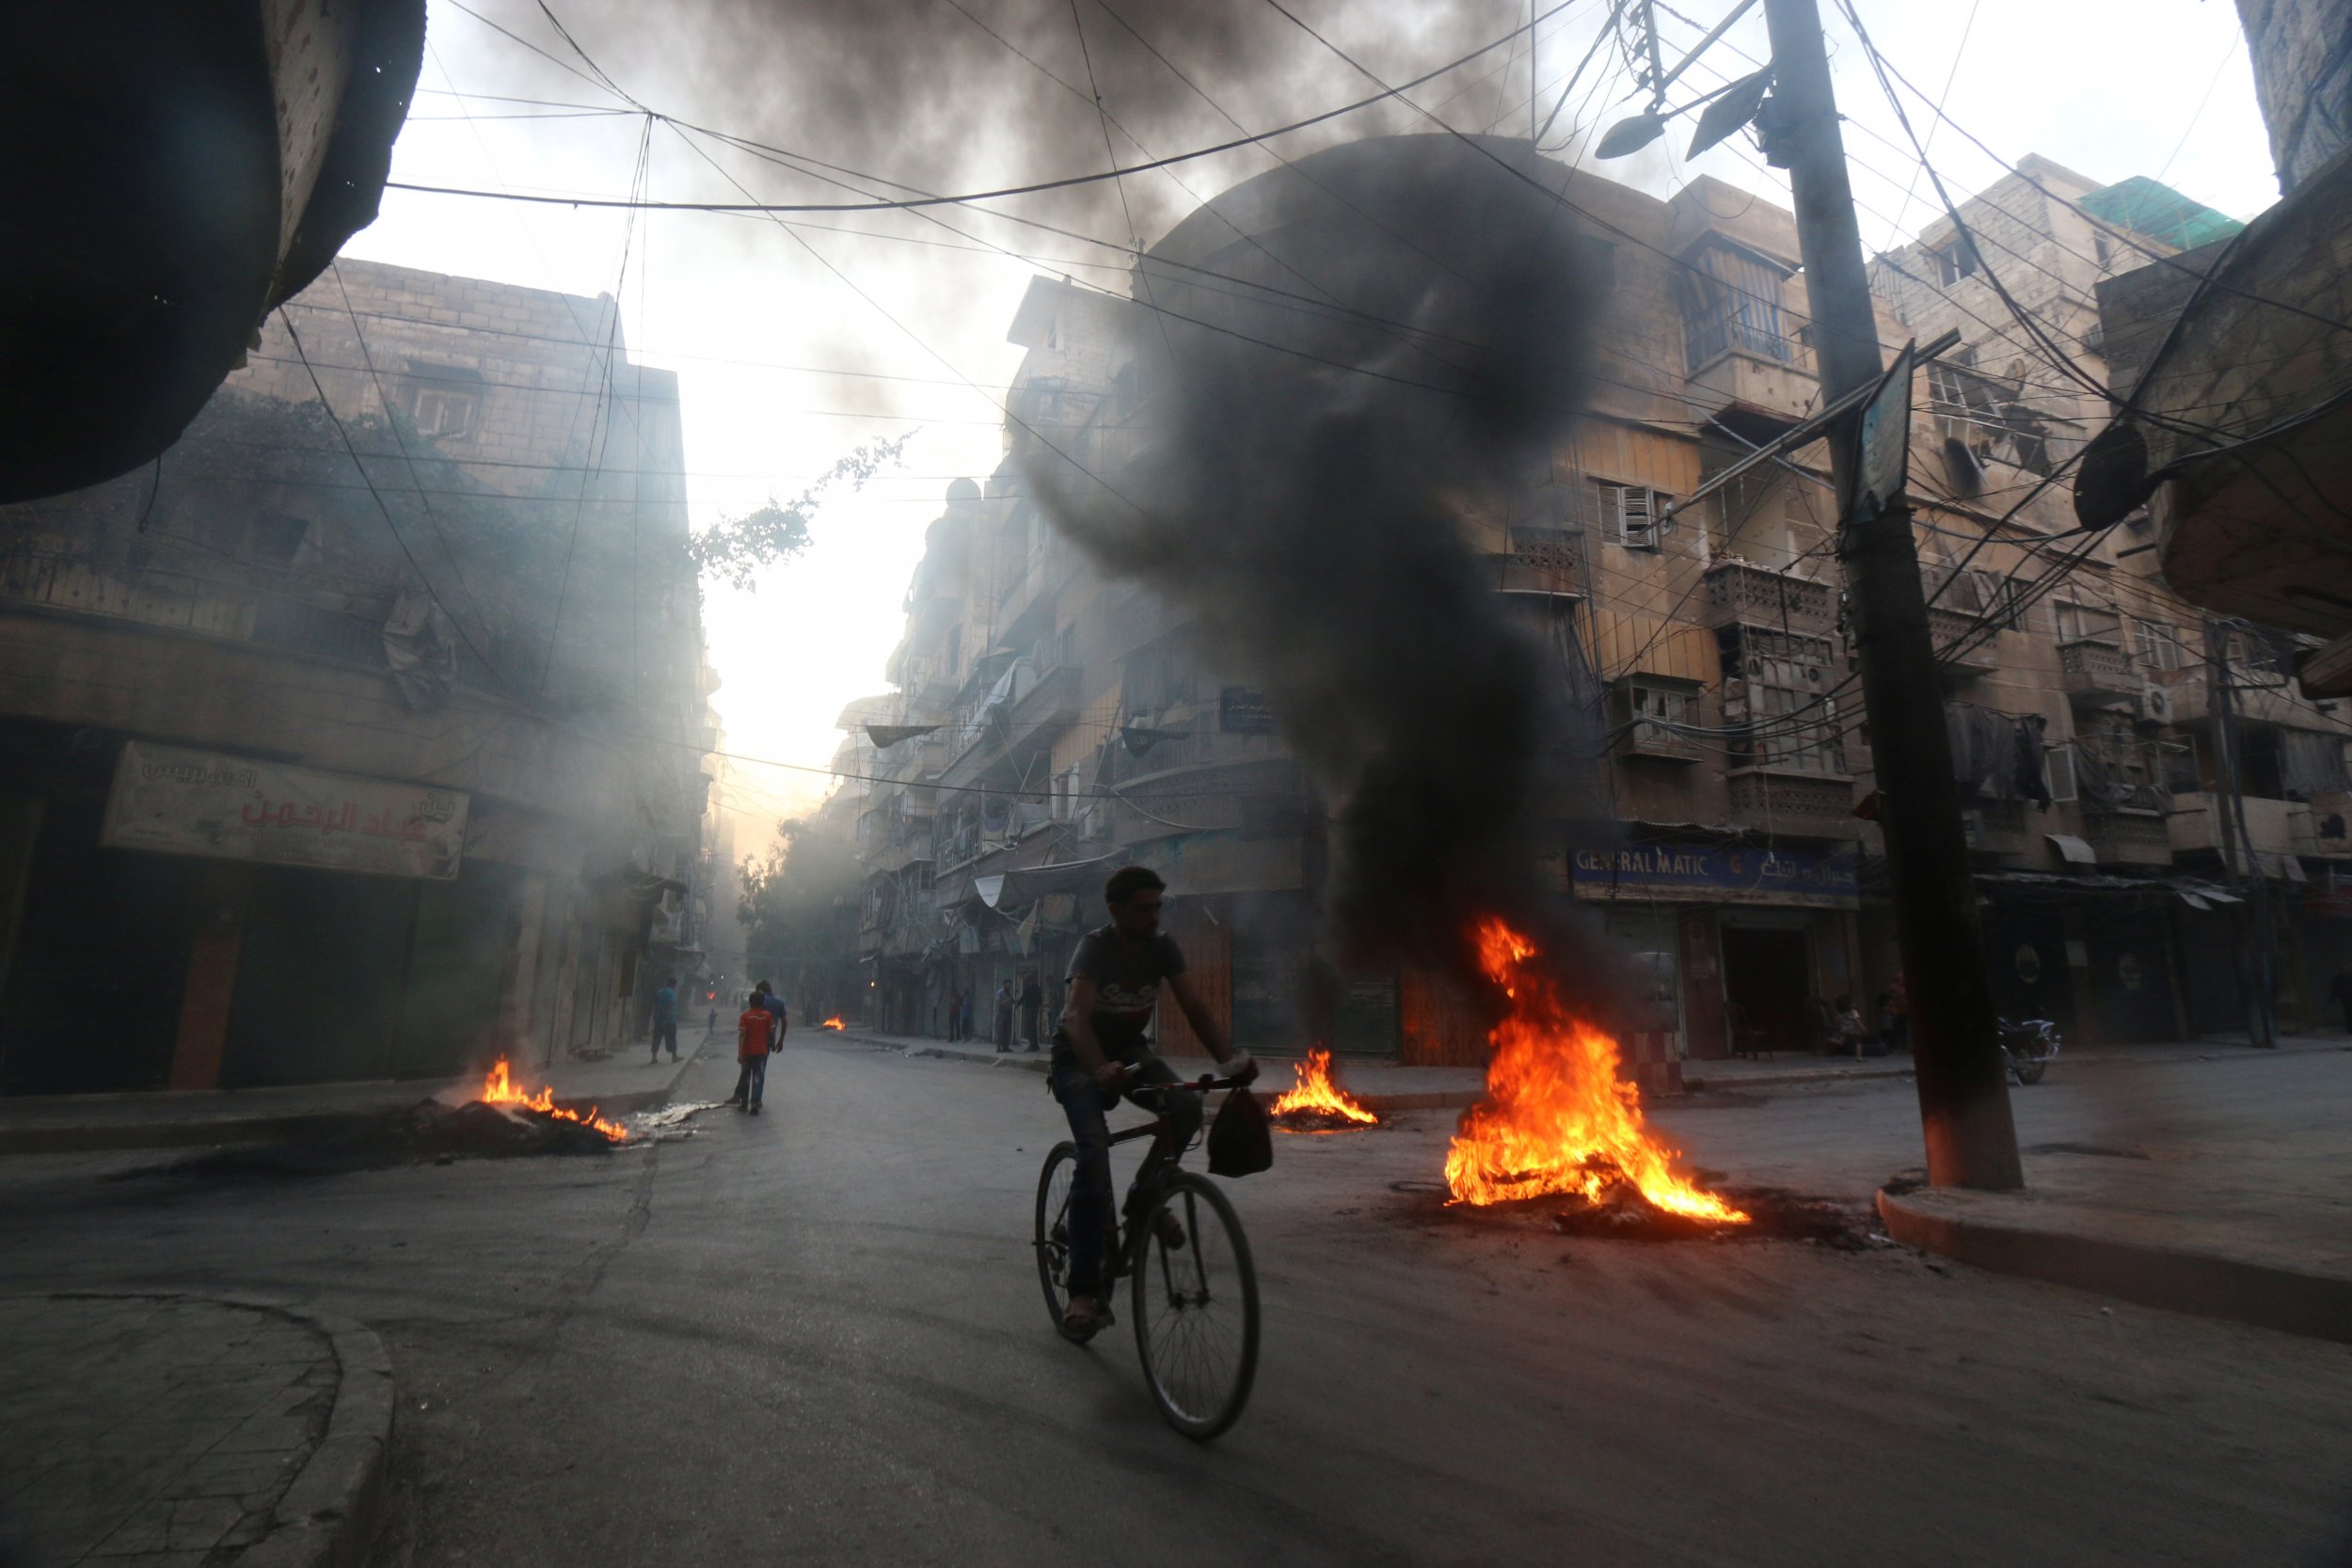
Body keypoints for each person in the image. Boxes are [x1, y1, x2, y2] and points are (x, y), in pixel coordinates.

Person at [1051, 865, 1255, 1339]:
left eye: (1158, 907)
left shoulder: (1162, 947)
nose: (1153, 917)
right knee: (1093, 1154)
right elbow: (1076, 1018)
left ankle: (1144, 1198)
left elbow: (1194, 1006)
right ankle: (1082, 1290)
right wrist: (1099, 1068)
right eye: (1143, 909)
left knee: (1184, 1109)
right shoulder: (1095, 948)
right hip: (1077, 1060)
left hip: (1129, 1052)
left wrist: (1230, 1061)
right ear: (1116, 910)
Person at [733, 991, 773, 1115]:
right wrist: (771, 1045)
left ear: (750, 1002)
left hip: (747, 1052)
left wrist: (740, 1053)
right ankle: (755, 1102)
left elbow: (742, 1036)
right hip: (761, 1052)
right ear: (762, 1003)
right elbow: (771, 1033)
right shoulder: (767, 1016)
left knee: (745, 1078)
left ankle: (744, 1104)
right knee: (757, 1077)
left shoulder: (745, 1017)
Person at [649, 974, 679, 1065]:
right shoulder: (672, 993)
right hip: (669, 1021)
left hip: (658, 1020)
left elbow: (655, 1004)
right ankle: (674, 1057)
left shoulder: (659, 992)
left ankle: (654, 1057)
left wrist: (655, 1017)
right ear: (674, 985)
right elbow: (669, 1007)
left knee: (656, 1039)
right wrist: (665, 1019)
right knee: (671, 1038)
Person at [1018, 971, 1044, 1053]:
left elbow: (1023, 997)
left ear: (1028, 979)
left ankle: (1032, 1045)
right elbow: (1040, 998)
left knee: (1029, 1027)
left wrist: (1017, 1004)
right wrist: (1039, 1006)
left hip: (1029, 1008)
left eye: (1026, 979)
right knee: (1034, 1026)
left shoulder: (1028, 988)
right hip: (1035, 1009)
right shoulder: (1038, 987)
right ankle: (1035, 1044)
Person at [993, 978, 1015, 1054]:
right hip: (1001, 1013)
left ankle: (1006, 1047)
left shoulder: (1009, 992)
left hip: (1008, 1013)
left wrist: (1013, 1001)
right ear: (1004, 984)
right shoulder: (1000, 992)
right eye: (1008, 984)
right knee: (1000, 1030)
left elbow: (1011, 1001)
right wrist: (1008, 1000)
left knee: (1007, 1030)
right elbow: (998, 1003)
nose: (1009, 986)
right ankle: (999, 1047)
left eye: (1010, 985)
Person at [2331, 961, 2352, 1034]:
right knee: (2348, 1013)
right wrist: (2333, 998)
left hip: (2348, 997)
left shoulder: (2349, 977)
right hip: (2345, 998)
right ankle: (2349, 1028)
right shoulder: (2339, 978)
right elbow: (2335, 988)